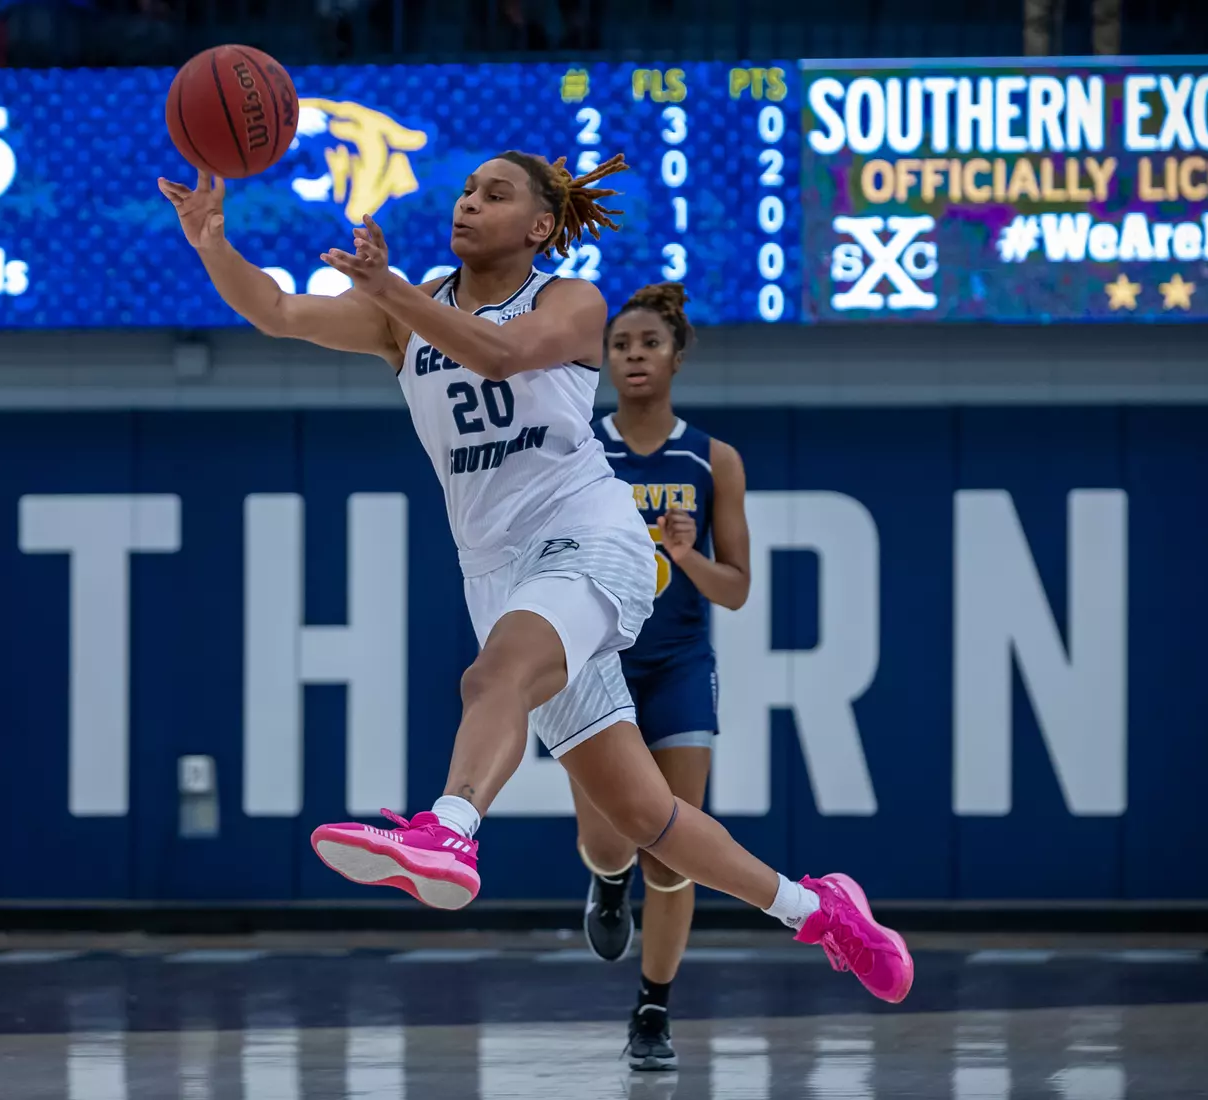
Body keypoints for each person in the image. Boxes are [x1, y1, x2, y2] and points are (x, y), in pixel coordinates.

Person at [157, 154, 913, 1006]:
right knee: (643, 818)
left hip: (589, 536)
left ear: (540, 225)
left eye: (494, 194)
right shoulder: (406, 310)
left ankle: (448, 829)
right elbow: (277, 310)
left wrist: (391, 290)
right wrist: (212, 242)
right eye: (465, 193)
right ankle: (822, 913)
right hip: (499, 571)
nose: (470, 204)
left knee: (493, 676)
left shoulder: (570, 300)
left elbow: (502, 354)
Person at [575, 282, 749, 1070]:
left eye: (649, 343)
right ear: (605, 360)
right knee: (609, 843)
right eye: (621, 345)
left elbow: (736, 590)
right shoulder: (580, 444)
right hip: (597, 658)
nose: (634, 356)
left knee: (672, 850)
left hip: (678, 662)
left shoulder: (712, 460)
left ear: (676, 355)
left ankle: (653, 1008)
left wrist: (686, 556)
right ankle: (607, 884)